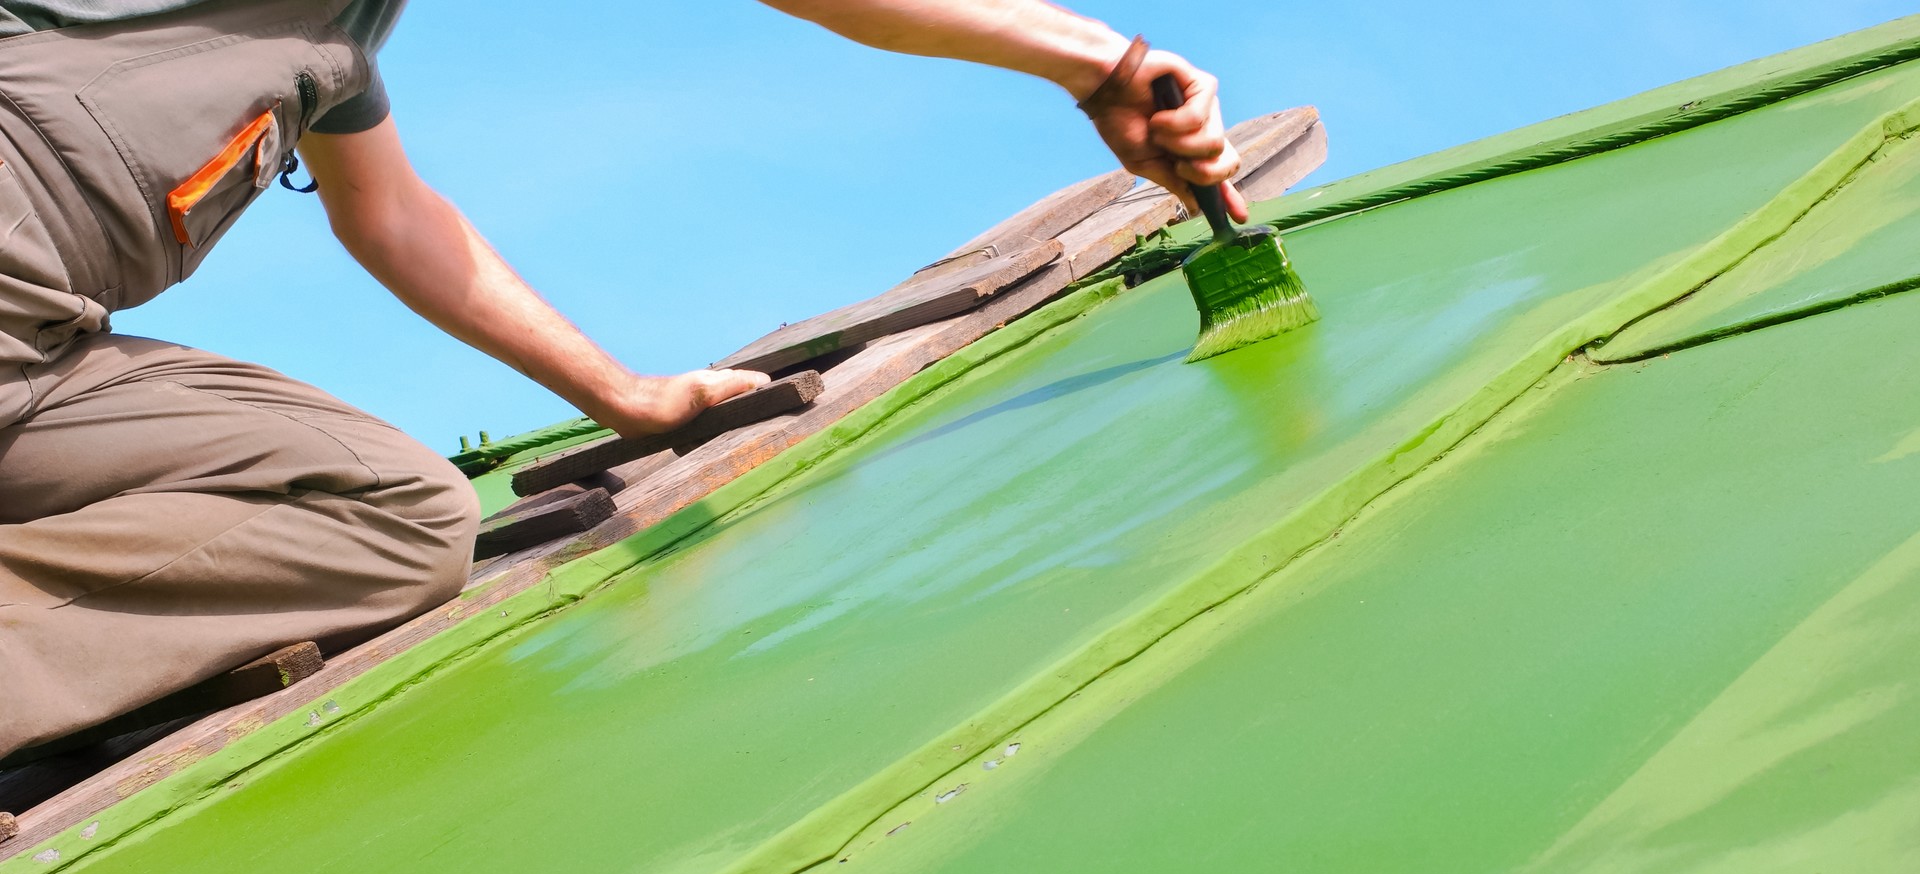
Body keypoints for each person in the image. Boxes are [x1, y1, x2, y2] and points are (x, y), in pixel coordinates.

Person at [0, 0, 1249, 758]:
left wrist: (627, 396)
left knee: (394, 512)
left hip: (38, 352)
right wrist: (1096, 59)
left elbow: (393, 218)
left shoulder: (327, 45)